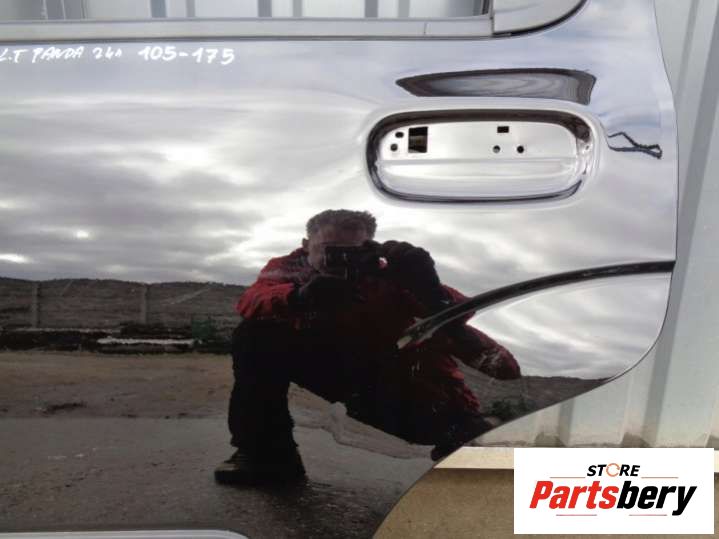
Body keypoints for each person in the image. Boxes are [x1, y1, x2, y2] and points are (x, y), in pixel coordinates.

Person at [215, 209, 520, 484]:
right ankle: (268, 458)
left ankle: (473, 437)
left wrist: (429, 290)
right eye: (331, 251)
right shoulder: (289, 269)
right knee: (255, 334)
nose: (342, 262)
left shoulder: (391, 278)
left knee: (481, 454)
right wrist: (300, 296)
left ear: (371, 248)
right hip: (342, 378)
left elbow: (503, 366)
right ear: (306, 246)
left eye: (354, 253)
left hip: (408, 394)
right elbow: (251, 301)